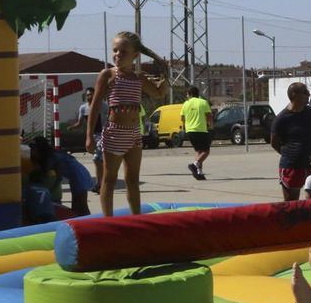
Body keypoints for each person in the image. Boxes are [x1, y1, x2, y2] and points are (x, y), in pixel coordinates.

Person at [85, 31, 169, 217]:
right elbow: (95, 106)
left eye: (123, 51)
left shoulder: (139, 78)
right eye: (115, 50)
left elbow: (158, 93)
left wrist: (165, 77)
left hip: (134, 134)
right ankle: (108, 220)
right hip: (114, 133)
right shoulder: (107, 75)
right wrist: (89, 136)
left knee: (132, 180)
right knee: (109, 179)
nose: (117, 55)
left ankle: (136, 218)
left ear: (135, 55)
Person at [270, 82, 311, 201]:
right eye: (305, 92)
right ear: (294, 95)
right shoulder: (282, 118)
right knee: (291, 204)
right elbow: (274, 142)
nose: (309, 94)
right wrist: (289, 153)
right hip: (292, 166)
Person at [72, 87, 104, 192]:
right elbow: (80, 123)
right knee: (99, 161)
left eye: (92, 94)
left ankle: (99, 185)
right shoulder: (83, 108)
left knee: (96, 159)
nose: (89, 97)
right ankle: (101, 183)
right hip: (92, 135)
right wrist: (72, 127)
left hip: (102, 135)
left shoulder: (102, 105)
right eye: (88, 95)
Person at [181, 86, 213, 181]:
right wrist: (210, 125)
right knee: (206, 151)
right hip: (201, 130)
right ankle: (195, 164)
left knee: (199, 151)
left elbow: (182, 118)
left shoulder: (185, 104)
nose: (187, 96)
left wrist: (184, 127)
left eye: (187, 94)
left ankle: (199, 172)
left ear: (190, 94)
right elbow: (208, 115)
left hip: (190, 131)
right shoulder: (203, 102)